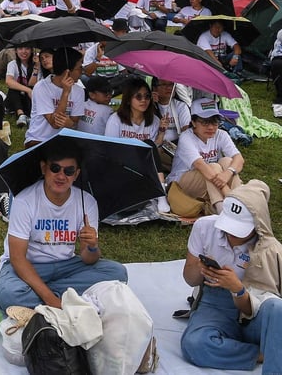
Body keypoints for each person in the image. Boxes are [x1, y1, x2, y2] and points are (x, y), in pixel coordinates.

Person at [0, 141, 128, 311]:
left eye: (69, 171)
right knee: (7, 294)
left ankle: (43, 295)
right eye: (55, 168)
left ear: (76, 174)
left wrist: (93, 247)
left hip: (66, 265)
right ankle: (71, 299)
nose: (61, 176)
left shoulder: (87, 202)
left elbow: (88, 258)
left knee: (117, 273)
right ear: (44, 168)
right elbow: (17, 258)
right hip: (30, 265)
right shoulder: (24, 201)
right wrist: (51, 300)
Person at [179, 181, 282, 373]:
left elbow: (259, 306)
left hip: (254, 309)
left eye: (238, 230)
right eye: (228, 227)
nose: (229, 235)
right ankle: (261, 353)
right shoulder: (205, 227)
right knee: (194, 344)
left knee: (277, 309)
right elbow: (190, 279)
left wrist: (237, 289)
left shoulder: (271, 251)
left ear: (256, 225)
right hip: (215, 304)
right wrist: (199, 268)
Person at [167, 98, 245, 216]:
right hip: (182, 183)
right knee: (212, 167)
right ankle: (225, 208)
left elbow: (239, 159)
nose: (211, 127)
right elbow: (200, 166)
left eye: (215, 122)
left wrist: (228, 173)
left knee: (227, 161)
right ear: (193, 122)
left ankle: (239, 201)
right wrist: (225, 188)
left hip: (211, 181)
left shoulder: (221, 134)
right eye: (205, 122)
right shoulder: (186, 137)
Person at [24, 48, 85, 148]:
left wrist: (71, 124)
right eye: (79, 68)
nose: (82, 71)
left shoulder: (79, 91)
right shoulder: (42, 87)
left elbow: (74, 121)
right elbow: (55, 123)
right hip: (39, 140)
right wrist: (65, 92)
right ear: (67, 72)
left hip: (63, 141)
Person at [104, 77, 166, 145]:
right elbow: (110, 148)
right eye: (138, 97)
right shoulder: (115, 120)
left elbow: (154, 150)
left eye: (147, 96)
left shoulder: (155, 120)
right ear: (128, 100)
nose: (143, 100)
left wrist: (161, 133)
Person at [5, 45, 38, 127]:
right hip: (16, 98)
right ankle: (21, 115)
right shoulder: (12, 64)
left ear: (31, 50)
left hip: (30, 98)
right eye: (20, 49)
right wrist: (27, 90)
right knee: (13, 88)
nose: (24, 51)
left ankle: (29, 115)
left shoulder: (37, 64)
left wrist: (36, 68)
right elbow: (8, 81)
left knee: (32, 88)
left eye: (27, 48)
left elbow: (31, 84)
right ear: (16, 51)